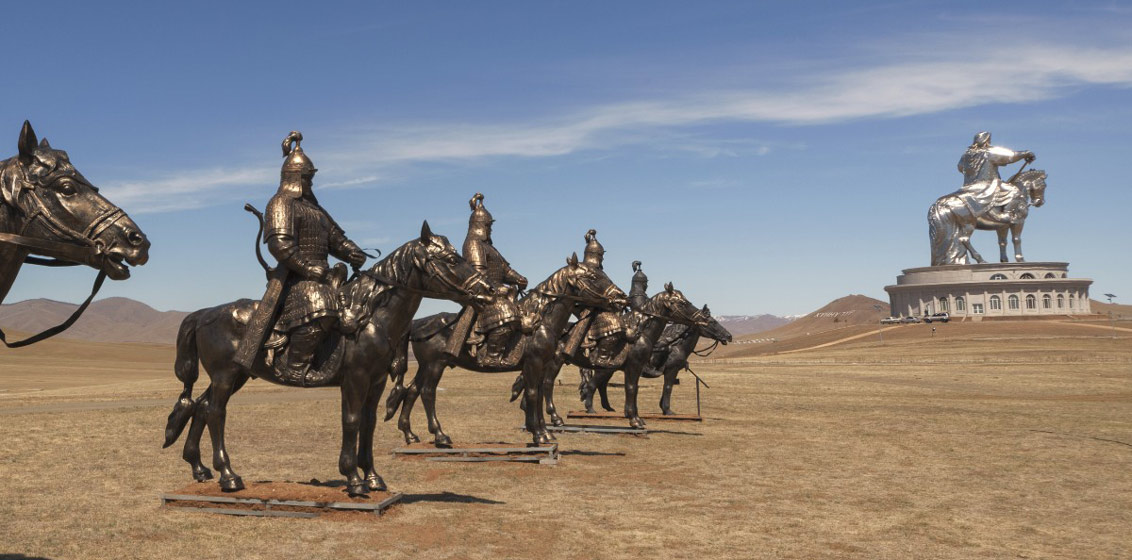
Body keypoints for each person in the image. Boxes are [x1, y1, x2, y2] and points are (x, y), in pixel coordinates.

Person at [264, 131, 367, 383]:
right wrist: (307, 268)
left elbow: (335, 239)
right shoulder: (281, 203)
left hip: (324, 275)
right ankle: (295, 366)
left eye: (311, 178)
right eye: (307, 178)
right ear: (294, 177)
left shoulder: (316, 210)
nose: (310, 183)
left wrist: (352, 251)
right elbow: (279, 245)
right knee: (322, 305)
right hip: (295, 278)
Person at [463, 193, 528, 366]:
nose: (490, 229)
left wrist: (519, 278)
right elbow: (479, 275)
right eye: (488, 226)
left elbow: (505, 270)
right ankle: (492, 356)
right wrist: (497, 288)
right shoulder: (473, 244)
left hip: (499, 292)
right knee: (507, 315)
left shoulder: (490, 248)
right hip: (484, 294)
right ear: (480, 226)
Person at [957, 131, 1034, 223]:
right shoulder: (989, 152)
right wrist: (1026, 153)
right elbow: (1011, 156)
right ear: (986, 140)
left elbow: (960, 168)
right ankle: (1006, 215)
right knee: (1014, 191)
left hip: (967, 187)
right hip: (988, 186)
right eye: (988, 140)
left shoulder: (965, 155)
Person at [580, 229, 625, 366]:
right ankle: (602, 357)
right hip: (590, 309)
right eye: (601, 255)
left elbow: (611, 287)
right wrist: (610, 300)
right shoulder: (587, 270)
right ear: (596, 255)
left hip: (600, 307)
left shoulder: (598, 271)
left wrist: (621, 297)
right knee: (615, 324)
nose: (603, 259)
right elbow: (587, 293)